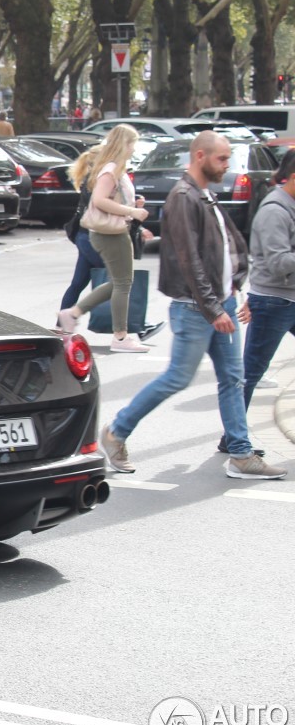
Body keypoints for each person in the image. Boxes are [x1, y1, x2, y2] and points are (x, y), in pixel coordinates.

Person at [100, 131, 285, 480]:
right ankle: (116, 432)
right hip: (196, 309)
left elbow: (225, 250)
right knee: (177, 378)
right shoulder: (184, 197)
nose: (227, 165)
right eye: (222, 159)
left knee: (233, 378)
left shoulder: (203, 195)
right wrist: (214, 309)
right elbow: (190, 260)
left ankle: (241, 454)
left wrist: (234, 294)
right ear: (200, 156)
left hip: (219, 303)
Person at [56, 125, 151, 351]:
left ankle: (72, 314)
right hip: (108, 234)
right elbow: (99, 200)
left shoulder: (116, 169)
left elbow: (110, 200)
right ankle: (119, 337)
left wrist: (132, 205)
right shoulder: (110, 170)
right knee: (121, 283)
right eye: (132, 144)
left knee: (119, 282)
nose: (134, 149)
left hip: (110, 232)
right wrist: (132, 212)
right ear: (124, 145)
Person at [241, 148, 295, 413]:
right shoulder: (275, 210)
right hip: (274, 301)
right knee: (251, 372)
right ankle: (233, 437)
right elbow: (278, 263)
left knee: (250, 372)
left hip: (289, 297)